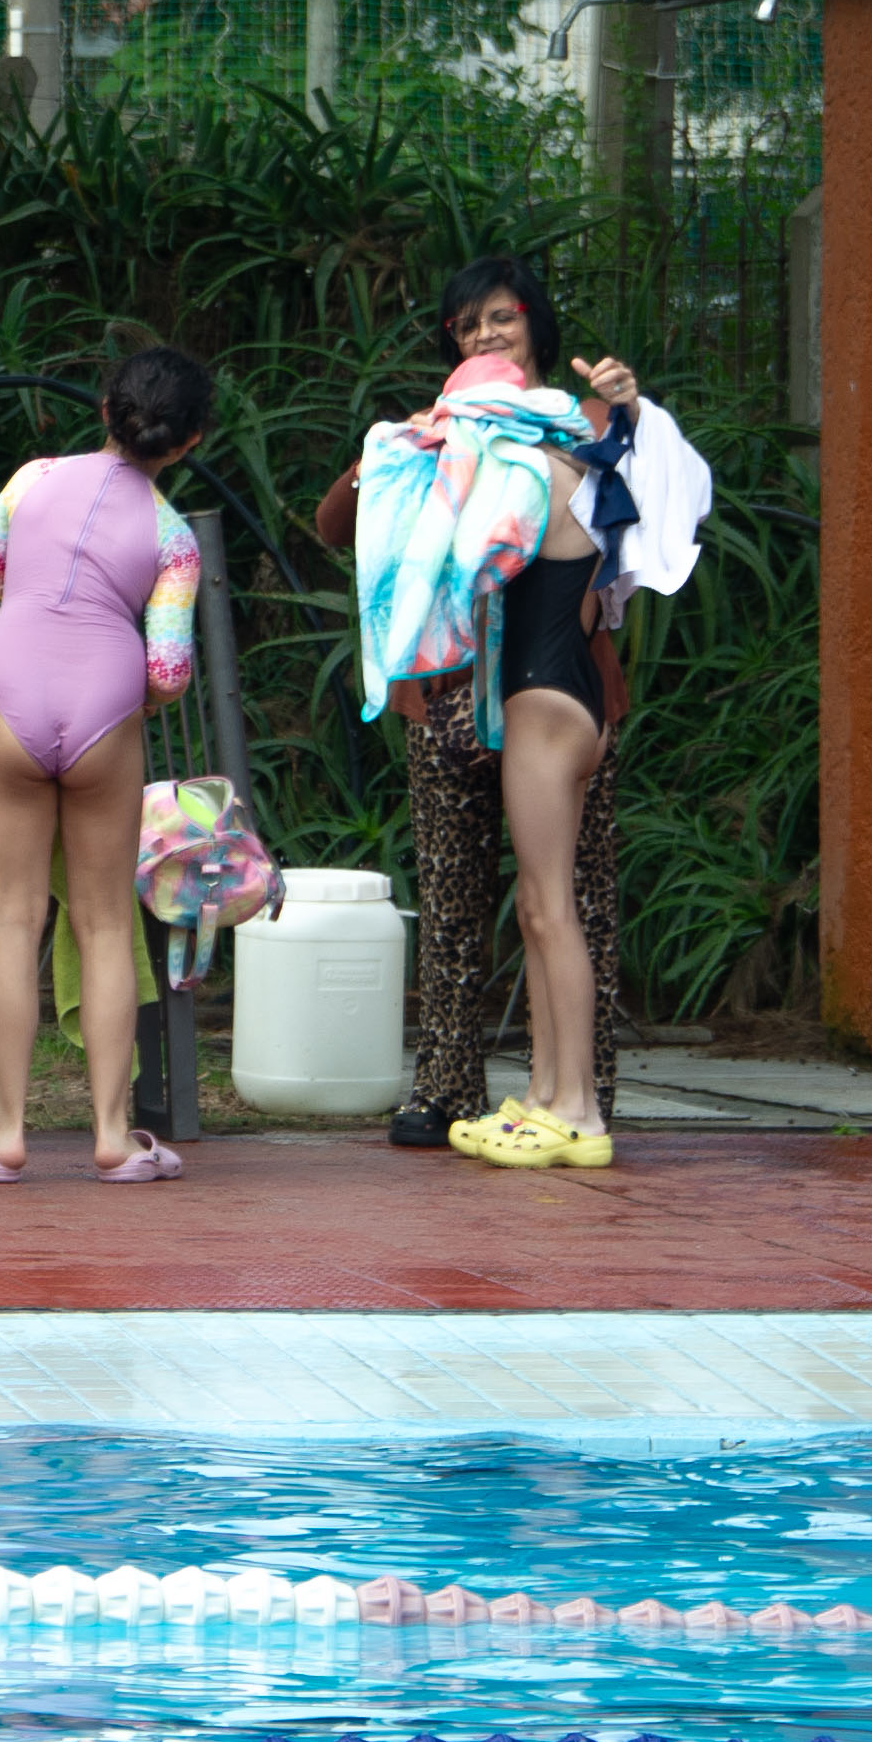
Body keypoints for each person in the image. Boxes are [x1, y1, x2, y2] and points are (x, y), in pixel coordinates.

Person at [318, 258, 696, 1166]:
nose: (485, 336)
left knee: (557, 907)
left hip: (546, 698)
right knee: (529, 905)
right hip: (503, 703)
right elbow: (344, 522)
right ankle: (542, 1095)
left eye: (502, 318)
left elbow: (482, 553)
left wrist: (620, 410)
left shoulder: (538, 457)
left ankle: (579, 1105)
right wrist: (407, 447)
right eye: (467, 327)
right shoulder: (539, 451)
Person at [0, 346, 211, 1185]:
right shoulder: (174, 536)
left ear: (103, 409)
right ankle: (114, 1135)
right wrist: (127, 704)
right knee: (103, 925)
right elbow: (169, 670)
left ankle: (3, 1134)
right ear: (189, 441)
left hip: (13, 700)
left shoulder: (29, 481)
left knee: (12, 920)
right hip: (104, 713)